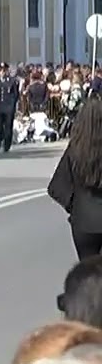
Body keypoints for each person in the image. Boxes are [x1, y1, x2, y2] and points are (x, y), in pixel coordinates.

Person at [49, 98, 102, 260]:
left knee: (88, 276)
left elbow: (57, 187)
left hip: (83, 221)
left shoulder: (76, 149)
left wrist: (75, 206)